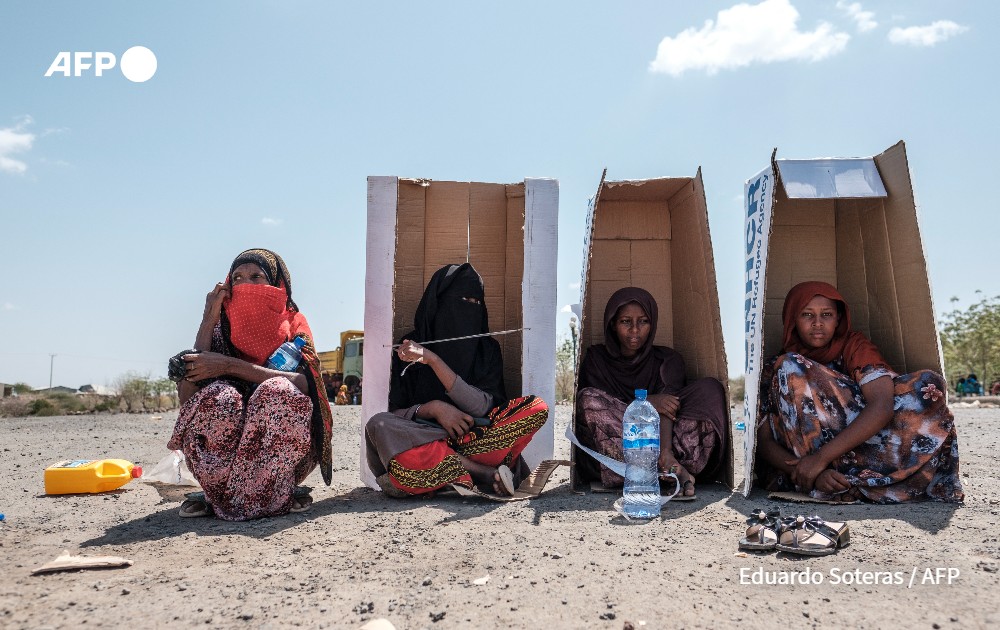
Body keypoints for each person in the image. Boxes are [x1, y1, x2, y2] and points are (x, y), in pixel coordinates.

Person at [755, 281, 963, 503]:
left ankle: (852, 479)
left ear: (838, 319)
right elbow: (764, 442)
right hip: (805, 463)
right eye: (807, 315)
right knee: (790, 366)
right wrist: (812, 470)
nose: (817, 323)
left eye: (826, 314)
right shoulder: (776, 368)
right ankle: (824, 480)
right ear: (792, 320)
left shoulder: (854, 346)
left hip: (863, 444)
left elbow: (882, 405)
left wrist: (822, 458)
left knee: (928, 384)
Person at [168, 249, 333, 520]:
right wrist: (208, 318)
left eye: (257, 277)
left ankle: (274, 490)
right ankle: (221, 494)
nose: (246, 284)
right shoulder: (220, 326)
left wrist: (229, 366)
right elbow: (189, 398)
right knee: (218, 397)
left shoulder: (294, 325)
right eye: (238, 278)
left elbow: (308, 385)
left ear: (277, 284)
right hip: (223, 462)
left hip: (284, 456)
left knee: (278, 392)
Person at [365, 263, 548, 497]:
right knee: (379, 424)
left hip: (478, 439)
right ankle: (483, 474)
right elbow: (395, 413)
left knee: (536, 408)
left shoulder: (487, 349)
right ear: (439, 303)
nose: (470, 309)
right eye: (462, 300)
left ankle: (452, 476)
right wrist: (434, 409)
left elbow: (483, 408)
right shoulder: (409, 346)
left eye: (476, 302)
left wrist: (433, 360)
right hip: (424, 438)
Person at [575, 287, 727, 497]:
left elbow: (669, 408)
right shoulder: (596, 360)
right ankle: (662, 472)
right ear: (612, 324)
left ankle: (664, 467)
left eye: (643, 321)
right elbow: (600, 416)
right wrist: (645, 402)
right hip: (621, 448)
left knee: (710, 389)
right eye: (625, 322)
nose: (635, 330)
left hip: (665, 441)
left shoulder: (668, 360)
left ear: (652, 323)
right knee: (589, 399)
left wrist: (665, 452)